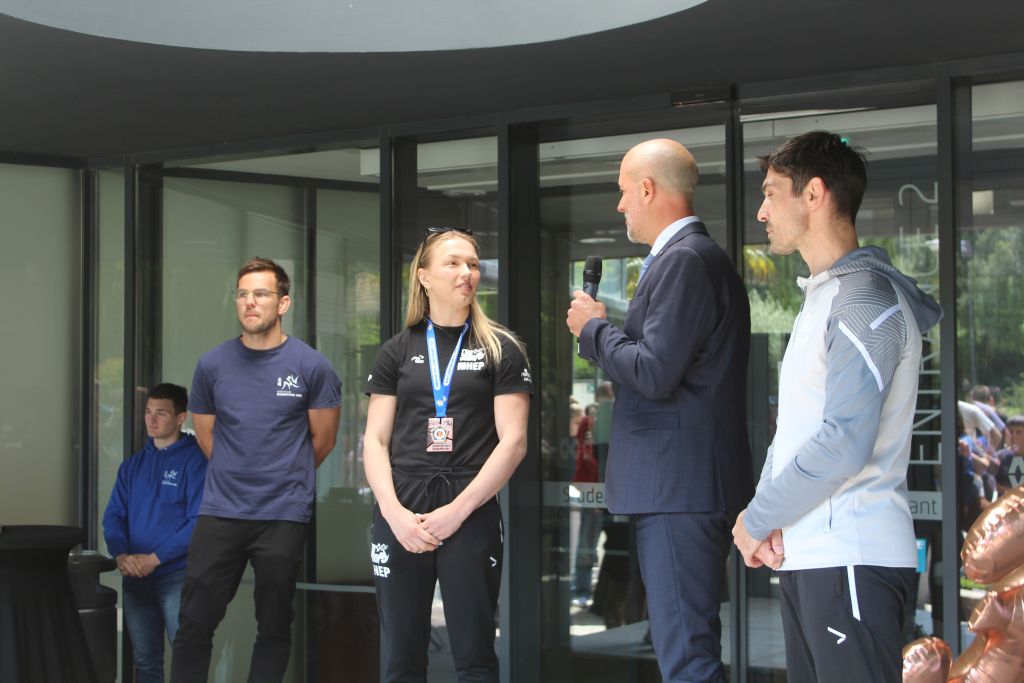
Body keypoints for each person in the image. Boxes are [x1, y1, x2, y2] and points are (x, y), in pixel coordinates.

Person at [732, 131, 943, 683]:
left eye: (770, 193)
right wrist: (765, 518)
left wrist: (757, 519)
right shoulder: (824, 296)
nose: (761, 212)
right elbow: (794, 431)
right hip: (814, 558)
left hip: (852, 555)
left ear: (814, 193)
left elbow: (844, 441)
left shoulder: (864, 298)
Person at [566, 138, 754, 683]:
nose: (620, 205)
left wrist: (594, 330)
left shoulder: (685, 261)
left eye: (624, 192)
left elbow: (653, 371)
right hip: (683, 487)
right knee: (687, 650)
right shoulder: (691, 260)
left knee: (688, 658)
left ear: (648, 189)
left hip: (679, 491)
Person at [363, 226, 532, 682]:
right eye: (453, 263)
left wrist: (457, 512)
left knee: (475, 656)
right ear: (423, 276)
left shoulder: (501, 349)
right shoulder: (396, 351)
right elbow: (375, 441)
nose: (466, 273)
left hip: (469, 504)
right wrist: (394, 514)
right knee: (400, 659)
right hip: (401, 506)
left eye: (472, 264)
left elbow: (513, 442)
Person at [170, 257, 341, 683]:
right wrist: (240, 472)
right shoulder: (212, 365)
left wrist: (283, 476)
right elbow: (207, 438)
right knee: (194, 623)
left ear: (283, 303)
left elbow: (323, 440)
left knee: (274, 626)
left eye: (261, 294)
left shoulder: (312, 366)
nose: (250, 302)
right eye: (243, 294)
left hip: (282, 514)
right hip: (221, 512)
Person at [103, 383, 207, 683]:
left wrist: (154, 559)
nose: (151, 419)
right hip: (135, 578)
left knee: (186, 659)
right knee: (145, 661)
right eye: (148, 412)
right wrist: (121, 555)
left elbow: (198, 523)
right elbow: (113, 516)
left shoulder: (196, 461)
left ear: (181, 418)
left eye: (161, 413)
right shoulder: (132, 465)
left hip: (176, 577)